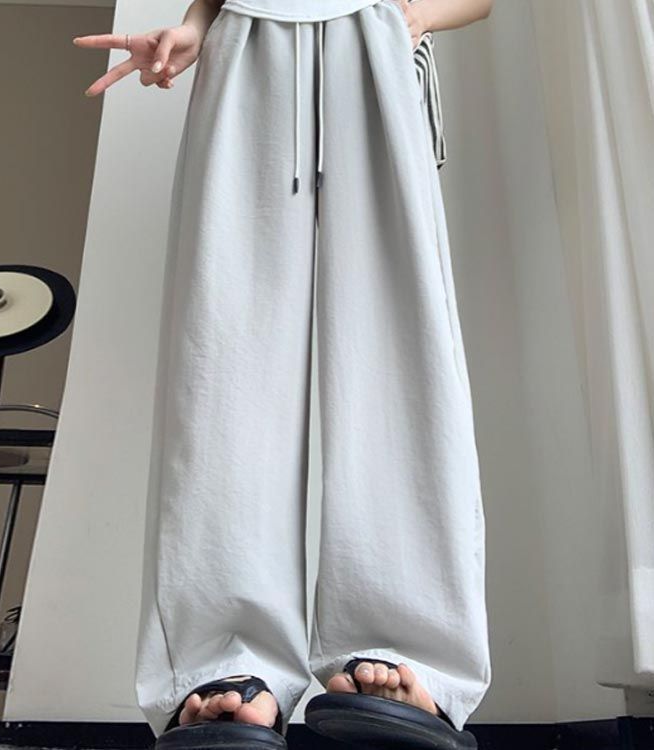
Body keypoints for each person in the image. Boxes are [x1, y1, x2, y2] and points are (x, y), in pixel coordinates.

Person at [74, 0, 494, 747]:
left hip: (372, 37)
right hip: (247, 38)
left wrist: (414, 17)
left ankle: (406, 650)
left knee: (398, 363)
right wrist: (194, 28)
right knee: (223, 364)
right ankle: (225, 660)